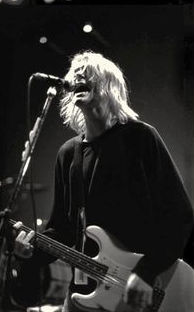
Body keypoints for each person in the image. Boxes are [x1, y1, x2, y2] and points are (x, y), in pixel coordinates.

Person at [13, 51, 194, 311]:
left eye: (86, 70)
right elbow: (62, 230)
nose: (77, 75)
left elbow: (179, 215)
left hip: (142, 287)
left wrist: (145, 273)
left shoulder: (141, 138)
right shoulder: (68, 153)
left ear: (109, 84)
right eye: (74, 71)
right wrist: (30, 251)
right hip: (84, 290)